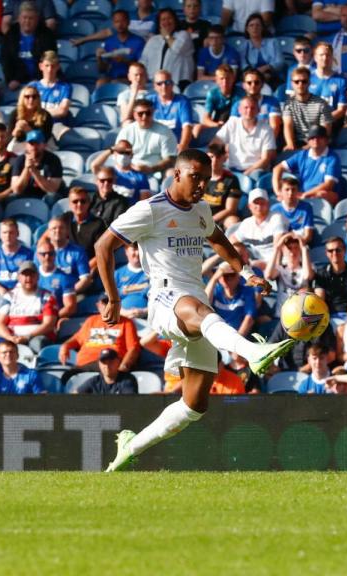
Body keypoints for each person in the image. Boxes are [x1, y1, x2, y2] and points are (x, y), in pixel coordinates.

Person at [95, 149, 294, 472]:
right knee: (197, 310)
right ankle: (252, 352)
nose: (202, 185)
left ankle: (131, 446)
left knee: (195, 404)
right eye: (195, 177)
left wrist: (246, 273)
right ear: (177, 175)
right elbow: (103, 245)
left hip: (194, 305)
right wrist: (114, 299)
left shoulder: (200, 209)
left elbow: (218, 240)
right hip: (164, 299)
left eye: (206, 179)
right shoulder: (150, 210)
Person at [59, 293, 141, 374]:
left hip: (109, 364)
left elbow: (133, 349)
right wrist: (65, 346)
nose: (108, 307)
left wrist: (123, 367)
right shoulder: (91, 320)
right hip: (85, 364)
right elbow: (77, 339)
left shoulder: (126, 323)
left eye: (112, 303)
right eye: (105, 303)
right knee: (67, 376)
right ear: (98, 306)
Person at [272, 125, 343, 204]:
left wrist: (306, 195)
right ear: (308, 141)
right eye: (312, 138)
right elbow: (277, 168)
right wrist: (278, 191)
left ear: (326, 140)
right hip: (303, 193)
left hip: (321, 193)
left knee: (322, 194)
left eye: (319, 137)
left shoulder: (332, 158)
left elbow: (328, 185)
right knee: (284, 196)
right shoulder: (302, 155)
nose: (315, 140)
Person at [0, 260, 58, 349]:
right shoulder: (9, 296)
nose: (28, 278)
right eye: (25, 275)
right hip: (13, 338)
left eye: (31, 274)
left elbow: (49, 325)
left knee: (38, 343)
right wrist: (10, 338)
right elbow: (0, 323)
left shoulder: (47, 297)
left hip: (36, 338)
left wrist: (27, 337)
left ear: (37, 277)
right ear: (19, 277)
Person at [76, 10, 144, 86]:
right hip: (112, 77)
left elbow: (142, 66)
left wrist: (124, 60)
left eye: (123, 21)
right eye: (116, 22)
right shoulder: (110, 41)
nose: (120, 25)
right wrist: (99, 58)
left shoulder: (138, 41)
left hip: (131, 79)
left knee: (115, 83)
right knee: (100, 83)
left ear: (128, 22)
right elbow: (102, 69)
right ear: (113, 24)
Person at [0, 2, 54, 92]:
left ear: (37, 19)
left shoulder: (46, 35)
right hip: (16, 79)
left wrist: (39, 79)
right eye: (24, 18)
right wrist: (13, 79)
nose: (27, 21)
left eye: (31, 18)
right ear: (19, 18)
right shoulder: (11, 35)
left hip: (40, 79)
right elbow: (6, 60)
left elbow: (49, 59)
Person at [215, 96, 275, 176]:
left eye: (252, 108)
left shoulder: (267, 129)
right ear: (239, 110)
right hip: (232, 169)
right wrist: (220, 157)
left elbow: (265, 159)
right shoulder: (232, 124)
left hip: (255, 171)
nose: (249, 111)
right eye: (246, 107)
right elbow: (216, 142)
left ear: (258, 110)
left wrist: (246, 174)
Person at [116, 99, 177, 176]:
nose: (144, 117)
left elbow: (170, 158)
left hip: (157, 172)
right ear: (134, 114)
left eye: (148, 113)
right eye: (140, 114)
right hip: (129, 171)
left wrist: (151, 169)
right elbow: (117, 154)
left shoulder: (165, 131)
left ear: (153, 112)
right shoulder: (126, 131)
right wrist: (131, 168)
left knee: (171, 173)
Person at [313, 236, 347, 317]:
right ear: (326, 253)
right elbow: (319, 299)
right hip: (327, 317)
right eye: (330, 251)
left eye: (338, 250)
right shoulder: (321, 273)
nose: (334, 253)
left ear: (344, 251)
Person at [229, 188, 287, 266]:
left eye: (262, 203)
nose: (259, 206)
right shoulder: (247, 223)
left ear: (268, 204)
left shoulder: (277, 218)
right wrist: (243, 251)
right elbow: (232, 240)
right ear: (249, 206)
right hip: (256, 264)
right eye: (256, 203)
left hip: (278, 263)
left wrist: (271, 266)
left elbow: (278, 247)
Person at [140, 9, 194, 89]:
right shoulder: (153, 40)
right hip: (154, 84)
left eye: (169, 18)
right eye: (163, 19)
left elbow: (177, 48)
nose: (167, 22)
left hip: (178, 83)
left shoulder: (184, 35)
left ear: (175, 20)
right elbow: (143, 61)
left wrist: (166, 36)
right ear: (159, 23)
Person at [282, 67, 332, 152]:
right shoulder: (288, 104)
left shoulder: (322, 104)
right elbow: (287, 125)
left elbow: (325, 131)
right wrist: (290, 144)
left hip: (318, 143)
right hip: (298, 144)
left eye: (304, 81)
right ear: (292, 84)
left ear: (309, 83)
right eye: (296, 82)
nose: (300, 84)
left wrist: (310, 146)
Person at [9, 129, 63, 200]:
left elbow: (52, 190)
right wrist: (26, 168)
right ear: (26, 145)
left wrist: (34, 171)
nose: (34, 147)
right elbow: (16, 190)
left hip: (45, 196)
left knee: (52, 197)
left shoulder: (53, 160)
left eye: (37, 143)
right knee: (11, 198)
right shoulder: (20, 160)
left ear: (44, 145)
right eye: (31, 143)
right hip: (26, 195)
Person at [150, 69, 196, 152]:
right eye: (159, 83)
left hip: (175, 146)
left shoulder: (182, 101)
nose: (164, 86)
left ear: (172, 84)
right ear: (154, 86)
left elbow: (187, 127)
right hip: (154, 146)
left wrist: (183, 145)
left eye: (167, 82)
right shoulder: (149, 101)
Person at [34, 235, 77, 320]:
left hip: (52, 320)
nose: (47, 257)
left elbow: (70, 307)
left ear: (55, 255)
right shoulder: (30, 275)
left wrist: (51, 318)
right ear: (37, 256)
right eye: (43, 254)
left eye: (50, 254)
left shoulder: (65, 278)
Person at [200, 140, 242, 226]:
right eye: (211, 157)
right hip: (199, 216)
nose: (214, 161)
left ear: (224, 158)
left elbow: (230, 209)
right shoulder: (199, 177)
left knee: (233, 221)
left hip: (221, 218)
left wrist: (210, 221)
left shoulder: (232, 179)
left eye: (218, 157)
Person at [44, 217, 91, 294]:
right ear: (48, 233)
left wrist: (69, 293)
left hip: (73, 294)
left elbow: (85, 279)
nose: (58, 231)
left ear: (67, 231)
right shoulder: (41, 252)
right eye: (54, 228)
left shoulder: (78, 252)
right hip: (46, 297)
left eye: (61, 228)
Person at [269, 175, 315, 243]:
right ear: (281, 191)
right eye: (287, 190)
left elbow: (308, 236)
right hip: (281, 245)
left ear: (298, 191)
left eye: (293, 190)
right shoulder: (274, 210)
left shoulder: (306, 208)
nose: (290, 193)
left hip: (300, 244)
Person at [197, 64, 240, 136]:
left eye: (228, 78)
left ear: (233, 79)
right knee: (197, 127)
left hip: (236, 125)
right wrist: (217, 124)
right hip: (218, 123)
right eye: (222, 78)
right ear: (216, 80)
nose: (225, 82)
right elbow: (206, 119)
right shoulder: (212, 94)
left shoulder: (241, 94)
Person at [75, 348, 139, 395]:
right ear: (99, 364)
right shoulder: (94, 381)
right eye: (103, 362)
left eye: (111, 362)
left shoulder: (127, 379)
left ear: (118, 362)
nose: (107, 365)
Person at [238, 14, 279, 84]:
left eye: (258, 25)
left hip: (271, 77)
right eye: (251, 25)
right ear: (247, 29)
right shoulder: (243, 45)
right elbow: (243, 66)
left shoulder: (273, 42)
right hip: (251, 79)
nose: (255, 28)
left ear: (262, 28)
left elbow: (280, 62)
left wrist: (266, 68)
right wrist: (258, 74)